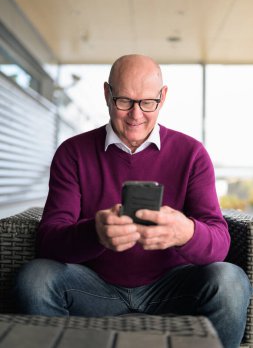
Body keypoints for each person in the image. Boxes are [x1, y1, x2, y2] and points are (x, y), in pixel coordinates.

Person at [14, 54, 251, 348]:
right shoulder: (73, 153)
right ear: (106, 94)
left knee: (230, 281)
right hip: (93, 288)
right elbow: (48, 241)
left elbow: (220, 241)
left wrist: (186, 232)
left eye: (147, 102)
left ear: (162, 97)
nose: (135, 115)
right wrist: (94, 232)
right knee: (35, 278)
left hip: (171, 287)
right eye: (124, 101)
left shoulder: (192, 154)